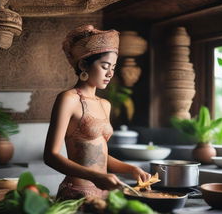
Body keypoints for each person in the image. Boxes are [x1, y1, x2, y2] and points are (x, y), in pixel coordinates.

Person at [43, 24, 151, 200]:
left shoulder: (105, 104)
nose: (110, 73)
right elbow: (51, 156)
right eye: (104, 66)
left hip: (105, 193)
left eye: (113, 67)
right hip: (77, 193)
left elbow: (97, 155)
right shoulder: (68, 99)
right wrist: (95, 177)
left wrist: (130, 168)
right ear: (84, 64)